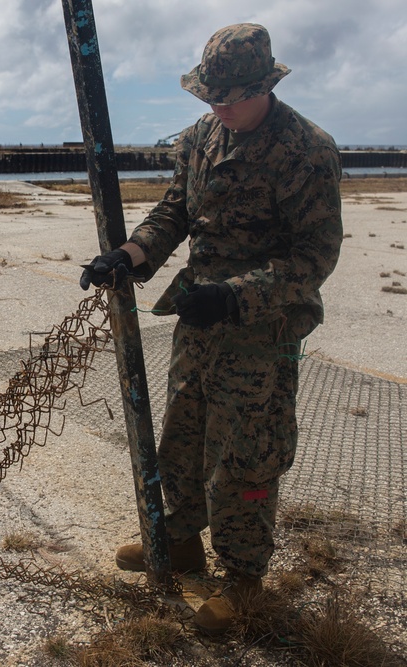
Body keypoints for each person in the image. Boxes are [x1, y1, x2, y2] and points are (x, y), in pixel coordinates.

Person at [79, 24, 342, 634]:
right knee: (185, 432)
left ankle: (244, 581)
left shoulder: (307, 149)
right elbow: (175, 210)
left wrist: (235, 295)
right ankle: (180, 540)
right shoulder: (202, 136)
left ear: (265, 86)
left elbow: (314, 257)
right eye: (211, 98)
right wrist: (131, 254)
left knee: (245, 454)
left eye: (231, 98)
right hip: (199, 314)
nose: (220, 108)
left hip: (260, 326)